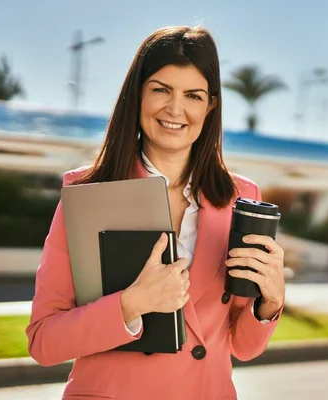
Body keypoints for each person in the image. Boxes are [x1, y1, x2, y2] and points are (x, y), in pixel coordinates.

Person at [26, 26, 286, 400]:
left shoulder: (241, 197)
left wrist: (271, 301)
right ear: (138, 94)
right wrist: (132, 304)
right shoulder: (88, 191)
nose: (175, 109)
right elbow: (44, 341)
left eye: (193, 95)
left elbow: (244, 347)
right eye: (161, 90)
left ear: (210, 105)